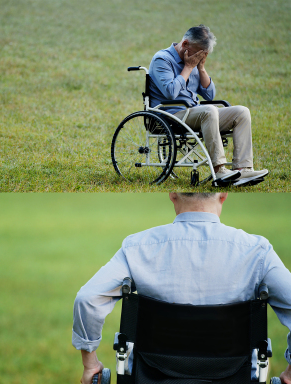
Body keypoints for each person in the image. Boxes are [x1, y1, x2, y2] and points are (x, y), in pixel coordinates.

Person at [72, 193, 291, 384]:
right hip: (236, 376)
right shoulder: (257, 251)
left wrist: (90, 365)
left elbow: (88, 298)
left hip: (149, 377)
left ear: (173, 194)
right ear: (223, 195)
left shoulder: (138, 247)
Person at [148, 25, 269, 186]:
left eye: (202, 56)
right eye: (197, 54)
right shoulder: (162, 59)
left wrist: (201, 68)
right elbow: (171, 92)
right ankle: (219, 170)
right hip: (171, 115)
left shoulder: (193, 61)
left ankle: (243, 169)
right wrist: (188, 68)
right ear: (185, 44)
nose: (198, 58)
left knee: (241, 112)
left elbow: (210, 95)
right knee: (209, 110)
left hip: (195, 113)